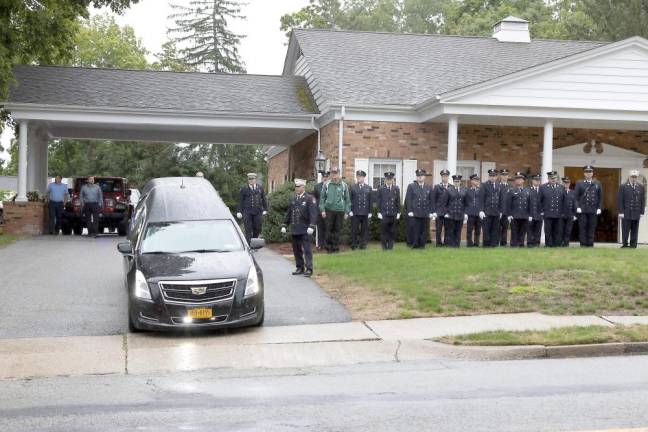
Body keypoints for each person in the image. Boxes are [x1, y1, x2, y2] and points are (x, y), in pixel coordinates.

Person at [281, 179, 317, 276]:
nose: (297, 188)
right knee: (296, 249)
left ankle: (309, 268)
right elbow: (289, 213)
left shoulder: (309, 198)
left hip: (305, 228)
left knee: (307, 249)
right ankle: (299, 267)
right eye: (296, 187)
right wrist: (284, 224)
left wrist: (312, 226)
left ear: (303, 187)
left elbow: (313, 214)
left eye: (299, 186)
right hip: (295, 228)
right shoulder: (293, 199)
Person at [319, 167, 351, 253]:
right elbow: (322, 198)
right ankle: (328, 248)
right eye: (333, 173)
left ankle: (336, 248)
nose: (334, 175)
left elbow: (347, 200)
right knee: (329, 229)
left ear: (339, 174)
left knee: (337, 230)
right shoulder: (327, 184)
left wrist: (347, 212)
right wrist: (322, 210)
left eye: (336, 173)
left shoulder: (344, 185)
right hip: (329, 210)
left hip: (340, 211)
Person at [575, 165, 602, 247]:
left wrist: (599, 208)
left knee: (592, 227)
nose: (588, 173)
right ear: (584, 173)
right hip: (583, 209)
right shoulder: (579, 183)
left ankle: (590, 243)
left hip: (593, 209)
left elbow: (600, 197)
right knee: (583, 227)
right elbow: (576, 197)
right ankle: (583, 243)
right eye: (587, 172)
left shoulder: (597, 183)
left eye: (590, 172)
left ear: (592, 173)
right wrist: (577, 207)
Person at [237, 173, 268, 245]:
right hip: (247, 212)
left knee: (257, 228)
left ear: (255, 179)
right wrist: (239, 211)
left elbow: (264, 199)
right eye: (249, 179)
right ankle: (248, 244)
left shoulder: (260, 188)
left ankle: (254, 243)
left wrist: (265, 209)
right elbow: (241, 201)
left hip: (257, 212)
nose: (251, 180)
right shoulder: (244, 189)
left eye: (252, 179)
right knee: (248, 229)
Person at [405, 169, 433, 249]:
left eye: (421, 176)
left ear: (424, 177)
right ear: (416, 177)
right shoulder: (411, 186)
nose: (420, 177)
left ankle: (422, 244)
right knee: (415, 229)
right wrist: (410, 210)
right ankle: (415, 244)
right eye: (418, 176)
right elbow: (408, 199)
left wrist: (431, 212)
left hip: (425, 212)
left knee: (424, 230)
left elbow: (431, 200)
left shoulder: (429, 187)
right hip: (415, 212)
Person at [618, 170, 645, 248]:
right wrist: (621, 212)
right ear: (629, 177)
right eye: (632, 177)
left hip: (636, 212)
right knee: (625, 229)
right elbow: (620, 200)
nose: (634, 178)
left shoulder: (641, 187)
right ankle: (625, 244)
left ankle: (633, 244)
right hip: (626, 212)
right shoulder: (623, 186)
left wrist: (641, 212)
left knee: (634, 230)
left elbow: (642, 200)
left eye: (635, 177)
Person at [376, 171, 400, 250]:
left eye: (391, 179)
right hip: (384, 214)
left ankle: (390, 246)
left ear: (393, 179)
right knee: (384, 231)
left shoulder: (396, 188)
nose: (389, 180)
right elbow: (378, 201)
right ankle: (384, 247)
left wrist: (398, 212)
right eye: (388, 179)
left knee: (392, 231)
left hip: (393, 213)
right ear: (385, 180)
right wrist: (379, 212)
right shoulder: (381, 189)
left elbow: (398, 201)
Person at [349, 170, 373, 250]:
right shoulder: (353, 187)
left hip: (365, 212)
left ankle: (363, 244)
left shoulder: (368, 188)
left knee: (364, 230)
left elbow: (370, 201)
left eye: (360, 177)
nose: (359, 178)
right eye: (358, 176)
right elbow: (349, 200)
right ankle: (354, 244)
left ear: (364, 177)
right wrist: (350, 210)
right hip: (355, 212)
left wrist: (370, 212)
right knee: (354, 229)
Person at [539, 171, 564, 247]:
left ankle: (556, 244)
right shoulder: (543, 187)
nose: (553, 179)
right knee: (548, 230)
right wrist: (542, 211)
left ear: (556, 178)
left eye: (554, 178)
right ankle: (548, 244)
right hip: (547, 213)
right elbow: (539, 200)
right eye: (551, 178)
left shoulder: (561, 187)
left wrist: (562, 212)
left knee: (557, 230)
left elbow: (563, 200)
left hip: (558, 213)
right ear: (548, 178)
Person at [505, 172, 530, 247]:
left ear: (523, 181)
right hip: (514, 215)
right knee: (514, 231)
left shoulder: (527, 191)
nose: (519, 181)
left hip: (524, 215)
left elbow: (530, 203)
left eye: (520, 179)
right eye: (517, 179)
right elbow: (508, 204)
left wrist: (529, 214)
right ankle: (514, 244)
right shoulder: (511, 190)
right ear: (515, 181)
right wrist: (509, 214)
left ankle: (521, 244)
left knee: (523, 231)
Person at [479, 169, 503, 247]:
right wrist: (481, 210)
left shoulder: (499, 185)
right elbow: (481, 198)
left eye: (494, 176)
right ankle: (486, 245)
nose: (492, 177)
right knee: (486, 229)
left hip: (496, 211)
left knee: (495, 229)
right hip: (487, 211)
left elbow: (501, 199)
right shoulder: (484, 185)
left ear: (496, 177)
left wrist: (501, 211)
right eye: (491, 176)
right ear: (489, 176)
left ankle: (493, 245)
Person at [444, 175, 467, 247]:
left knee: (458, 230)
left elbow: (466, 203)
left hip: (460, 214)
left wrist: (465, 213)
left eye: (458, 181)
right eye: (455, 181)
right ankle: (451, 244)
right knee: (451, 230)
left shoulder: (464, 190)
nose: (456, 183)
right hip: (451, 214)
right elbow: (445, 203)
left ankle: (457, 244)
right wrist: (446, 213)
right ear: (453, 182)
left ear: (460, 182)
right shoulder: (448, 190)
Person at [431, 169, 451, 247]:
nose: (444, 178)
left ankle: (446, 242)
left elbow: (451, 201)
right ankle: (438, 243)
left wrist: (450, 212)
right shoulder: (437, 187)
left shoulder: (451, 187)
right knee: (438, 228)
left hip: (447, 212)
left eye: (446, 176)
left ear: (448, 177)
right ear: (441, 177)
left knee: (447, 228)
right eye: (443, 176)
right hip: (439, 211)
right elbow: (433, 200)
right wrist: (434, 212)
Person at [313, 171, 330, 250]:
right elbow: (314, 199)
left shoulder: (331, 187)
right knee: (320, 229)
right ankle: (320, 245)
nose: (325, 178)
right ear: (322, 177)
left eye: (326, 177)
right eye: (324, 177)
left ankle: (326, 245)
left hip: (328, 211)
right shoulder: (317, 187)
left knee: (327, 229)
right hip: (319, 212)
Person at [465, 174, 482, 247]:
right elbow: (465, 202)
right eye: (475, 180)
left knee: (478, 229)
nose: (476, 181)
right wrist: (465, 212)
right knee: (469, 229)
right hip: (470, 212)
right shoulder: (467, 190)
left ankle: (476, 242)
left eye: (477, 180)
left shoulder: (481, 190)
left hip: (479, 213)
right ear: (471, 181)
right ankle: (469, 243)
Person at [561, 176, 577, 247]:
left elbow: (575, 204)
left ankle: (566, 243)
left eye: (567, 183)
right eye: (565, 183)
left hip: (570, 214)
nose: (566, 184)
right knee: (561, 230)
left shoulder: (573, 192)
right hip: (562, 214)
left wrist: (575, 214)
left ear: (569, 184)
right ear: (563, 183)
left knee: (568, 230)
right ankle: (560, 242)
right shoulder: (560, 191)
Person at [527, 174, 543, 247]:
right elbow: (526, 203)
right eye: (536, 180)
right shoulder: (528, 190)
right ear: (532, 181)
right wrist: (528, 214)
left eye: (538, 180)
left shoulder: (542, 190)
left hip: (539, 214)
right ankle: (530, 243)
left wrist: (543, 211)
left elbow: (545, 201)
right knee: (530, 230)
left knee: (538, 230)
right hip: (531, 213)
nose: (537, 181)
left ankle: (537, 243)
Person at [498, 169, 512, 246]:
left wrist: (510, 213)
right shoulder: (497, 185)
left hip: (507, 212)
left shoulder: (510, 186)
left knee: (505, 228)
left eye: (506, 175)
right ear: (500, 176)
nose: (504, 177)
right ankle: (496, 242)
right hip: (498, 212)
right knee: (497, 228)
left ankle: (503, 243)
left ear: (508, 176)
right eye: (503, 175)